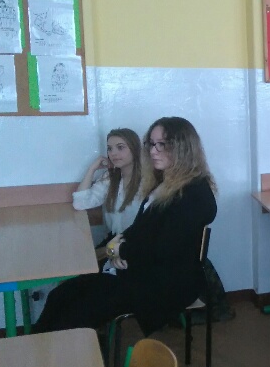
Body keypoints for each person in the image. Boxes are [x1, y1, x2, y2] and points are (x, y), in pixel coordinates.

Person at [36, 117, 217, 336]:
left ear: (183, 147)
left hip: (163, 283)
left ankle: (63, 353)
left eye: (162, 144)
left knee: (73, 316)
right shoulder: (164, 184)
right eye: (151, 144)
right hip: (139, 270)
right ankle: (37, 348)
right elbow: (140, 229)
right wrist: (116, 247)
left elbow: (163, 248)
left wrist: (120, 250)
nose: (153, 151)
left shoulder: (195, 194)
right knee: (60, 295)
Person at [72, 128, 143, 268]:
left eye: (120, 147)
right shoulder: (111, 178)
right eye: (110, 149)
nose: (113, 153)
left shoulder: (146, 182)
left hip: (134, 244)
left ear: (134, 149)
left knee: (85, 267)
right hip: (113, 241)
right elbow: (80, 203)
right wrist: (92, 168)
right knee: (79, 263)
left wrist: (117, 251)